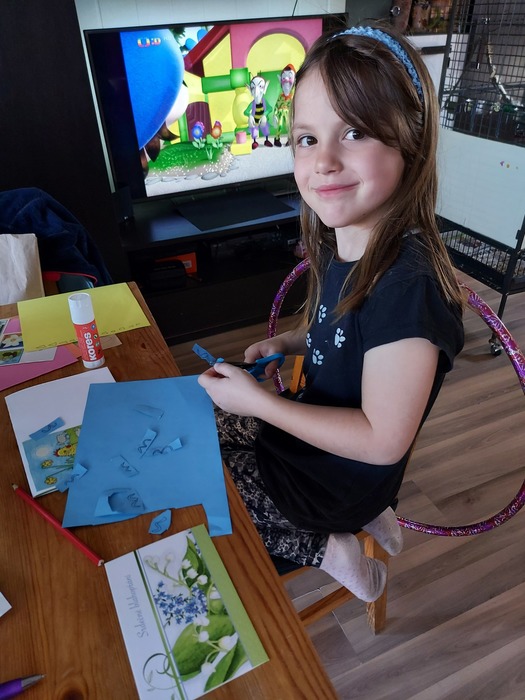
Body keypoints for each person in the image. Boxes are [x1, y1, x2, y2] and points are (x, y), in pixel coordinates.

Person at [198, 24, 465, 602]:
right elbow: (340, 326)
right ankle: (370, 518)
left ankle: (332, 550)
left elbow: (382, 441)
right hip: (317, 444)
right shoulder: (341, 238)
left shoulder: (409, 290)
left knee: (202, 487)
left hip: (341, 478)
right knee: (200, 424)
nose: (323, 161)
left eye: (354, 132)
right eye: (307, 138)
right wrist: (290, 343)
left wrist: (261, 403)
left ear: (411, 141)